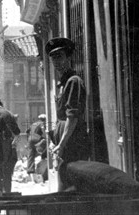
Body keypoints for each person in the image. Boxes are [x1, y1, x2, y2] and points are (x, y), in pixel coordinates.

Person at [45, 37, 90, 191]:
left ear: (69, 57)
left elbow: (72, 117)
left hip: (72, 142)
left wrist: (62, 144)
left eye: (60, 57)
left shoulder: (73, 81)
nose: (57, 62)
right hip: (64, 143)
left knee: (71, 184)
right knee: (64, 182)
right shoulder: (63, 84)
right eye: (53, 59)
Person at [0, 96, 20, 193]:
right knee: (7, 172)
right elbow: (17, 132)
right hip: (6, 145)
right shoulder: (8, 113)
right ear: (1, 104)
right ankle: (7, 193)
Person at [26, 114, 47, 180]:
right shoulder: (42, 123)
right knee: (45, 147)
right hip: (37, 138)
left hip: (30, 138)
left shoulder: (33, 124)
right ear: (44, 119)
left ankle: (30, 171)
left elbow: (27, 131)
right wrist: (46, 137)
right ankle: (44, 159)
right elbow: (43, 130)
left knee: (30, 155)